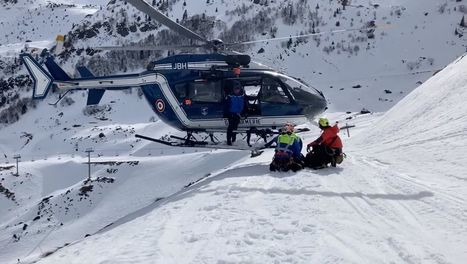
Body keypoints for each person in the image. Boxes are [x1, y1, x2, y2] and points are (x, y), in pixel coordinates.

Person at [225, 80, 246, 145]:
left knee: (235, 127)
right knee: (230, 127)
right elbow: (227, 105)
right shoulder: (230, 96)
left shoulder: (242, 96)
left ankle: (234, 139)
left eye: (238, 89)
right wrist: (227, 112)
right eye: (235, 89)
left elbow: (244, 104)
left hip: (238, 114)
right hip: (231, 113)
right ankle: (229, 140)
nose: (237, 90)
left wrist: (243, 112)